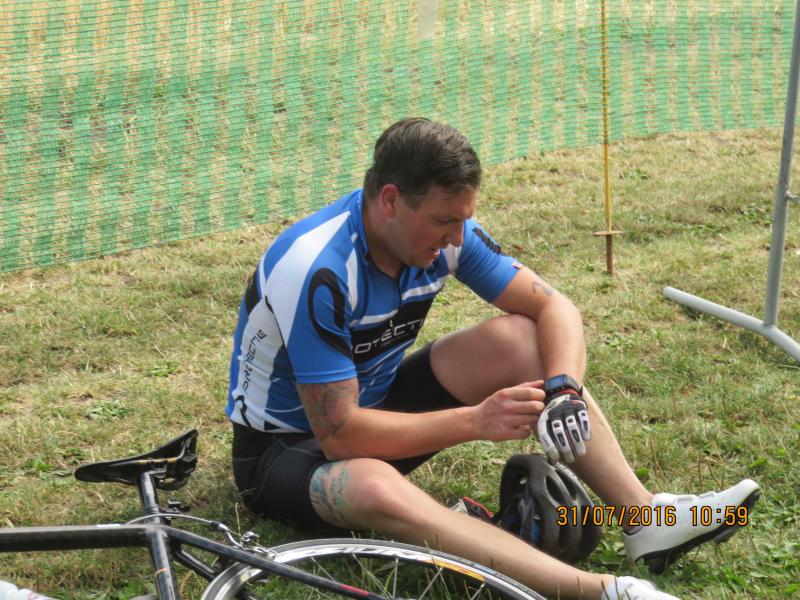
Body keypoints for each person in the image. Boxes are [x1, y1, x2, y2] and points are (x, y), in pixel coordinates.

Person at [225, 118, 759, 600]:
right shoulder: (317, 269)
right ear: (390, 200)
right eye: (443, 221)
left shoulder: (447, 234)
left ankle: (646, 518)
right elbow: (340, 437)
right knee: (369, 483)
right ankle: (601, 592)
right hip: (283, 454)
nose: (457, 237)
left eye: (464, 219)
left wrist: (564, 388)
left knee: (521, 341)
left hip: (375, 410)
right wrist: (474, 422)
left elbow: (554, 308)